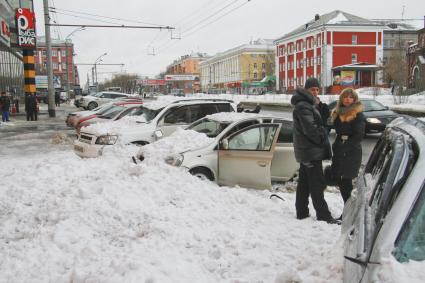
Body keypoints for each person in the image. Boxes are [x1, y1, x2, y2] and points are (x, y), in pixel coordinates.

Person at [291, 77, 339, 224]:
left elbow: (316, 122)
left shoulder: (308, 104)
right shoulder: (303, 106)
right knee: (316, 184)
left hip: (307, 151)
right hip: (311, 151)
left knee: (304, 183)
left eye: (317, 89)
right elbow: (310, 129)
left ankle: (302, 212)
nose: (316, 92)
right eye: (313, 89)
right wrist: (322, 134)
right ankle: (324, 215)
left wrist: (321, 114)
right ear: (306, 90)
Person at [330, 88, 365, 207]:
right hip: (340, 150)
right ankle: (348, 209)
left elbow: (358, 136)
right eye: (345, 97)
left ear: (354, 99)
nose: (347, 99)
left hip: (351, 152)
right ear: (341, 99)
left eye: (350, 97)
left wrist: (345, 147)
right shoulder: (338, 113)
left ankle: (350, 211)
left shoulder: (358, 115)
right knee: (340, 180)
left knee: (346, 181)